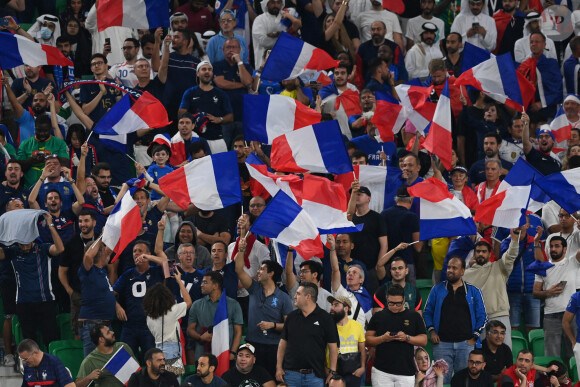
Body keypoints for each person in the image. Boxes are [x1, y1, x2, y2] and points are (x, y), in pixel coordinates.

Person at [234, 237, 293, 378]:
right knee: (252, 380)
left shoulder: (283, 297)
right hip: (252, 343)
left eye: (262, 269)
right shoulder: (254, 289)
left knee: (271, 379)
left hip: (274, 346)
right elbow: (239, 270)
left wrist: (272, 325)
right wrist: (241, 250)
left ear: (271, 273)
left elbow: (289, 327)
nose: (258, 272)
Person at [424, 256, 488, 384]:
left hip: (466, 344)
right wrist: (432, 332)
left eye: (454, 268)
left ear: (462, 271)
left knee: (463, 382)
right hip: (441, 344)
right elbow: (427, 312)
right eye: (448, 267)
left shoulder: (474, 291)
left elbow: (483, 316)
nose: (450, 270)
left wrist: (474, 337)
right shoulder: (436, 290)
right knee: (441, 382)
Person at [463, 229, 519, 348]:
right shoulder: (466, 275)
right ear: (474, 254)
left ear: (489, 254)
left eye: (484, 252)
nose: (481, 254)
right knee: (482, 358)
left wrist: (514, 239)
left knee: (505, 353)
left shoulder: (499, 267)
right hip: (479, 321)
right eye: (478, 251)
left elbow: (510, 256)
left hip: (500, 316)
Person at [276, 281, 339, 386]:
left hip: (315, 376)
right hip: (290, 374)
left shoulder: (326, 318)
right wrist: (278, 367)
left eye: (298, 293)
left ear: (308, 297)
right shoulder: (291, 317)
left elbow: (333, 347)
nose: (295, 296)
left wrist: (332, 371)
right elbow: (282, 343)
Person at [366, 284, 428, 387]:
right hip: (381, 371)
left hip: (406, 372)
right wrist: (383, 338)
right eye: (391, 303)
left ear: (404, 300)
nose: (395, 306)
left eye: (398, 303)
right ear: (387, 299)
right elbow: (368, 340)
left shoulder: (414, 316)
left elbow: (424, 340)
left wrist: (407, 338)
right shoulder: (378, 316)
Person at [113, 242, 166, 356]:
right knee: (123, 359)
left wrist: (149, 258)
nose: (136, 253)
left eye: (140, 251)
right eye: (134, 251)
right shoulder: (128, 274)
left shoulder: (156, 271)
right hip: (130, 325)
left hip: (151, 326)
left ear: (148, 254)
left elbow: (170, 266)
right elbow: (110, 294)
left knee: (152, 360)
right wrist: (117, 306)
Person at [533, 236, 580, 360]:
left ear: (565, 249)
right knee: (552, 357)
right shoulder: (542, 267)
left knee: (575, 353)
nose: (553, 249)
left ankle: (575, 380)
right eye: (551, 246)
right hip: (550, 316)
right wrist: (549, 292)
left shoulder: (572, 262)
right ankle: (554, 380)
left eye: (557, 246)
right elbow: (535, 293)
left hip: (571, 315)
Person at [187, 271, 243, 361]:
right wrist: (200, 337)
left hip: (224, 356)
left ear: (215, 286)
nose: (201, 285)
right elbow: (190, 329)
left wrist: (232, 353)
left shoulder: (233, 304)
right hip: (202, 357)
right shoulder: (196, 305)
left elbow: (238, 332)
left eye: (205, 282)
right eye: (201, 282)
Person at [178, 61, 233, 154]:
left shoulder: (221, 94)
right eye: (204, 69)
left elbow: (230, 117)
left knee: (220, 168)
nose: (207, 72)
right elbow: (181, 113)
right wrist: (196, 118)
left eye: (210, 69)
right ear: (197, 73)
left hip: (216, 139)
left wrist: (219, 119)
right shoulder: (190, 92)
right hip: (195, 140)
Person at [143, 277, 192, 373]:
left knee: (161, 380)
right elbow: (188, 301)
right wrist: (179, 281)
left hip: (157, 350)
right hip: (172, 350)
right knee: (173, 380)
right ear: (167, 297)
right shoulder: (172, 311)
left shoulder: (148, 316)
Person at [346, 181, 388, 292]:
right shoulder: (351, 218)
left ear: (368, 198)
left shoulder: (377, 217)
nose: (356, 196)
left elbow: (384, 245)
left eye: (360, 194)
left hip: (371, 268)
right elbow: (348, 215)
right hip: (353, 267)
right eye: (355, 194)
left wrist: (379, 265)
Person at [379, 186, 422, 283]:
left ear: (396, 199)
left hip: (387, 263)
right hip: (406, 265)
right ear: (411, 200)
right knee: (409, 296)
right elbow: (418, 247)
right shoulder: (412, 217)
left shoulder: (383, 215)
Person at [328, 295, 366, 387]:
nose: (332, 308)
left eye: (336, 305)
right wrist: (326, 370)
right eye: (332, 305)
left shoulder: (357, 326)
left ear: (346, 308)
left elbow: (362, 349)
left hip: (352, 372)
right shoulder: (327, 326)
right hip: (333, 372)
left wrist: (362, 367)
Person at [252, 0, 300, 68]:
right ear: (267, 4)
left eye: (278, 2)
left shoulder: (287, 16)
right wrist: (285, 40)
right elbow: (263, 41)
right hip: (264, 64)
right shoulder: (259, 19)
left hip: (284, 63)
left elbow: (295, 35)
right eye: (272, 2)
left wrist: (275, 35)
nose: (276, 5)